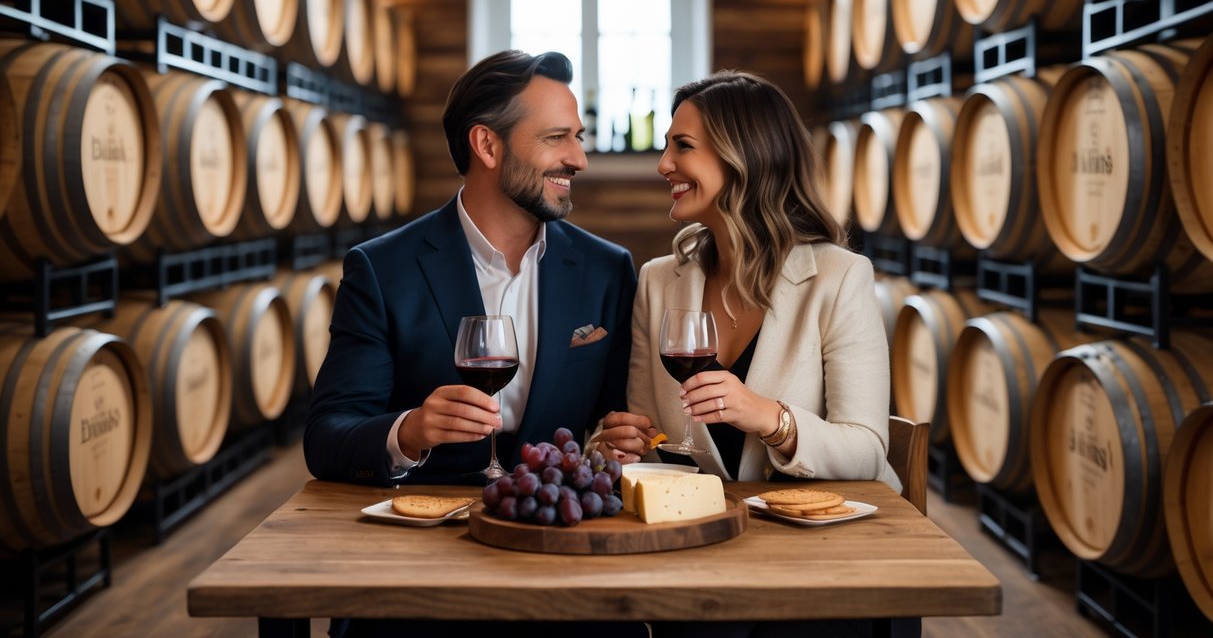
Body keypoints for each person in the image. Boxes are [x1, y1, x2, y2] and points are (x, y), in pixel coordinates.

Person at [305, 48, 654, 490]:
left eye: (578, 137)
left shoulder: (607, 269)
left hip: (558, 530)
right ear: (487, 145)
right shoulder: (381, 269)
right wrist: (410, 431)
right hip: (424, 534)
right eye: (556, 137)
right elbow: (326, 438)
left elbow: (612, 422)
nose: (578, 159)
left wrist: (609, 445)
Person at [627, 70, 900, 490]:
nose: (663, 164)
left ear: (744, 156)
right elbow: (649, 438)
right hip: (704, 533)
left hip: (822, 538)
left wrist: (770, 418)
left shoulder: (840, 278)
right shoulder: (656, 281)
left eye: (683, 146)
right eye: (666, 146)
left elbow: (866, 452)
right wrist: (614, 444)